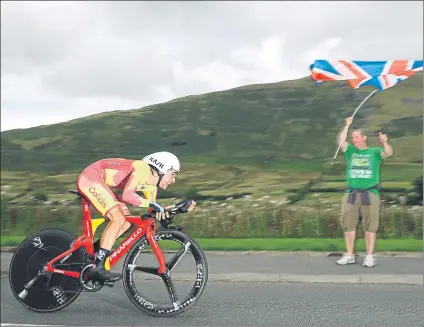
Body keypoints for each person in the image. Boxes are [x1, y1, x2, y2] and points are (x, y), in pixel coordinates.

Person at [75, 151, 196, 283]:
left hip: (101, 183)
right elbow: (127, 196)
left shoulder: (151, 187)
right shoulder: (142, 168)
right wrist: (154, 205)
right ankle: (97, 268)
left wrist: (176, 209)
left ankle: (92, 255)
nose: (174, 180)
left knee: (126, 222)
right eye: (173, 174)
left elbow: (153, 210)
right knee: (118, 218)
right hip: (91, 178)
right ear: (161, 168)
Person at [336, 117, 393, 267]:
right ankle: (350, 255)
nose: (354, 140)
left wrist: (384, 142)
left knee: (370, 225)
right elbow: (341, 142)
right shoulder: (350, 151)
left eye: (356, 137)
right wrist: (346, 125)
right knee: (348, 225)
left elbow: (388, 153)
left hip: (370, 193)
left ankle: (369, 256)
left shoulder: (374, 152)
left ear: (364, 138)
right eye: (353, 137)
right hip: (351, 193)